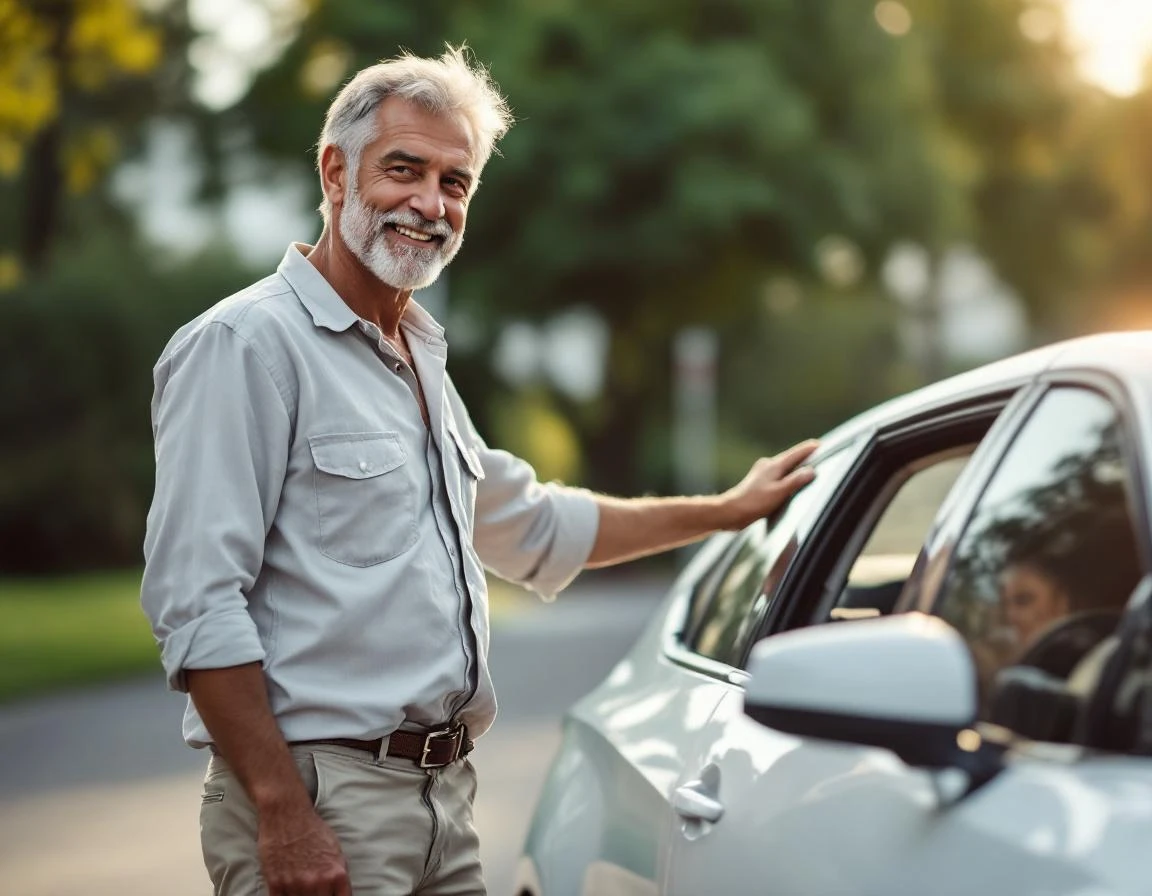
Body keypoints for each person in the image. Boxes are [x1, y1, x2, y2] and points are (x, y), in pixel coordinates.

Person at [140, 46, 817, 896]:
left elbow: (532, 526)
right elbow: (197, 599)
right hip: (320, 801)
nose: (430, 205)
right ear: (335, 171)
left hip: (442, 806)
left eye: (455, 183)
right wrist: (282, 809)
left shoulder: (416, 356)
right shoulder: (244, 346)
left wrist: (725, 510)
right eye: (404, 170)